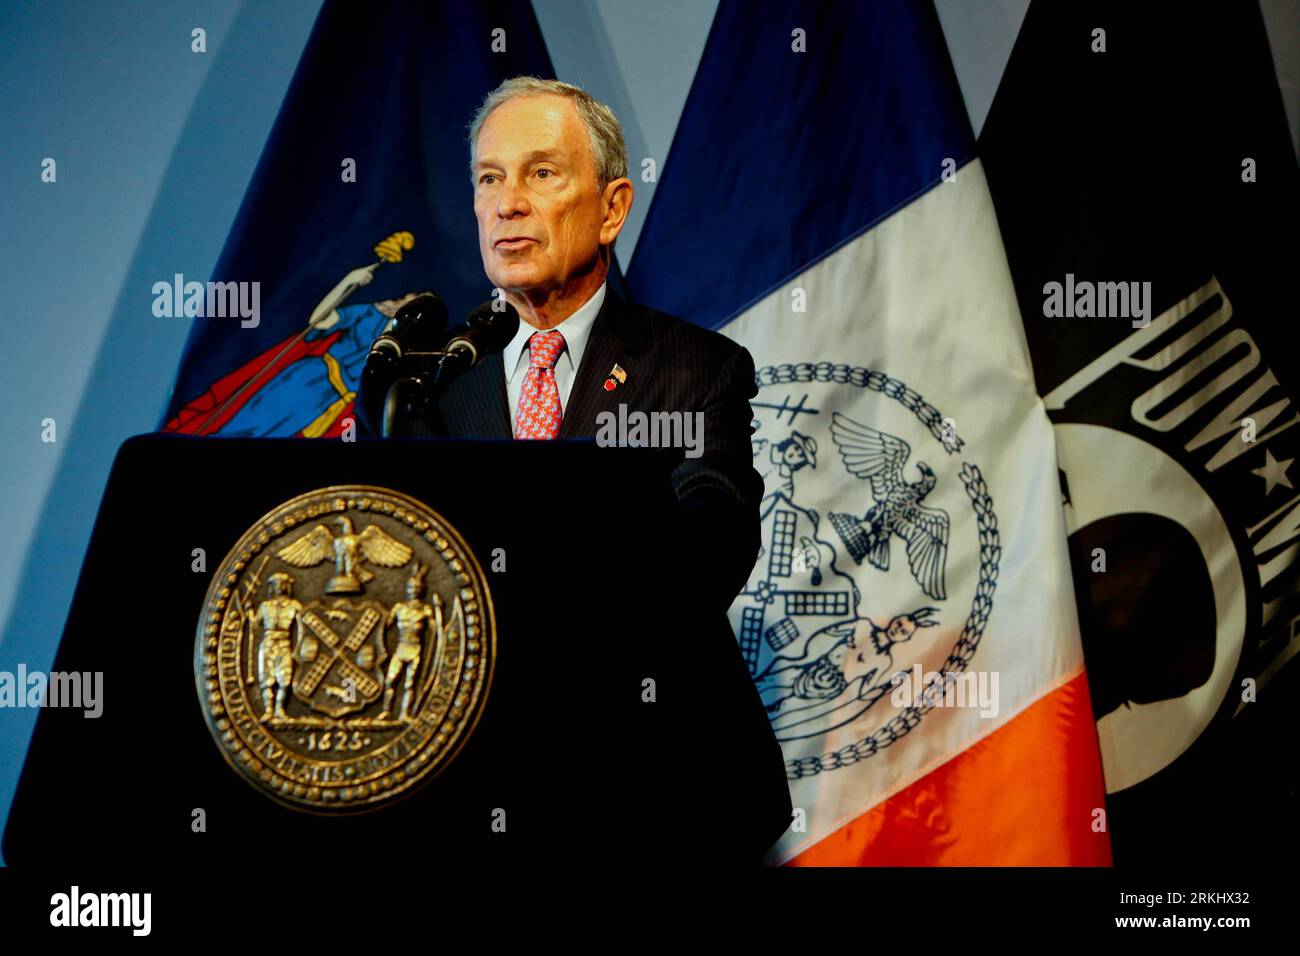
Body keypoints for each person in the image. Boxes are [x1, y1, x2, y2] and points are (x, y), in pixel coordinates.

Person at [356, 76, 791, 862]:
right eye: (490, 178)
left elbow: (713, 540)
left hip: (652, 786)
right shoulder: (430, 387)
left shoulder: (694, 367)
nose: (506, 203)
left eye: (541, 173)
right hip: (464, 788)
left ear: (614, 207)